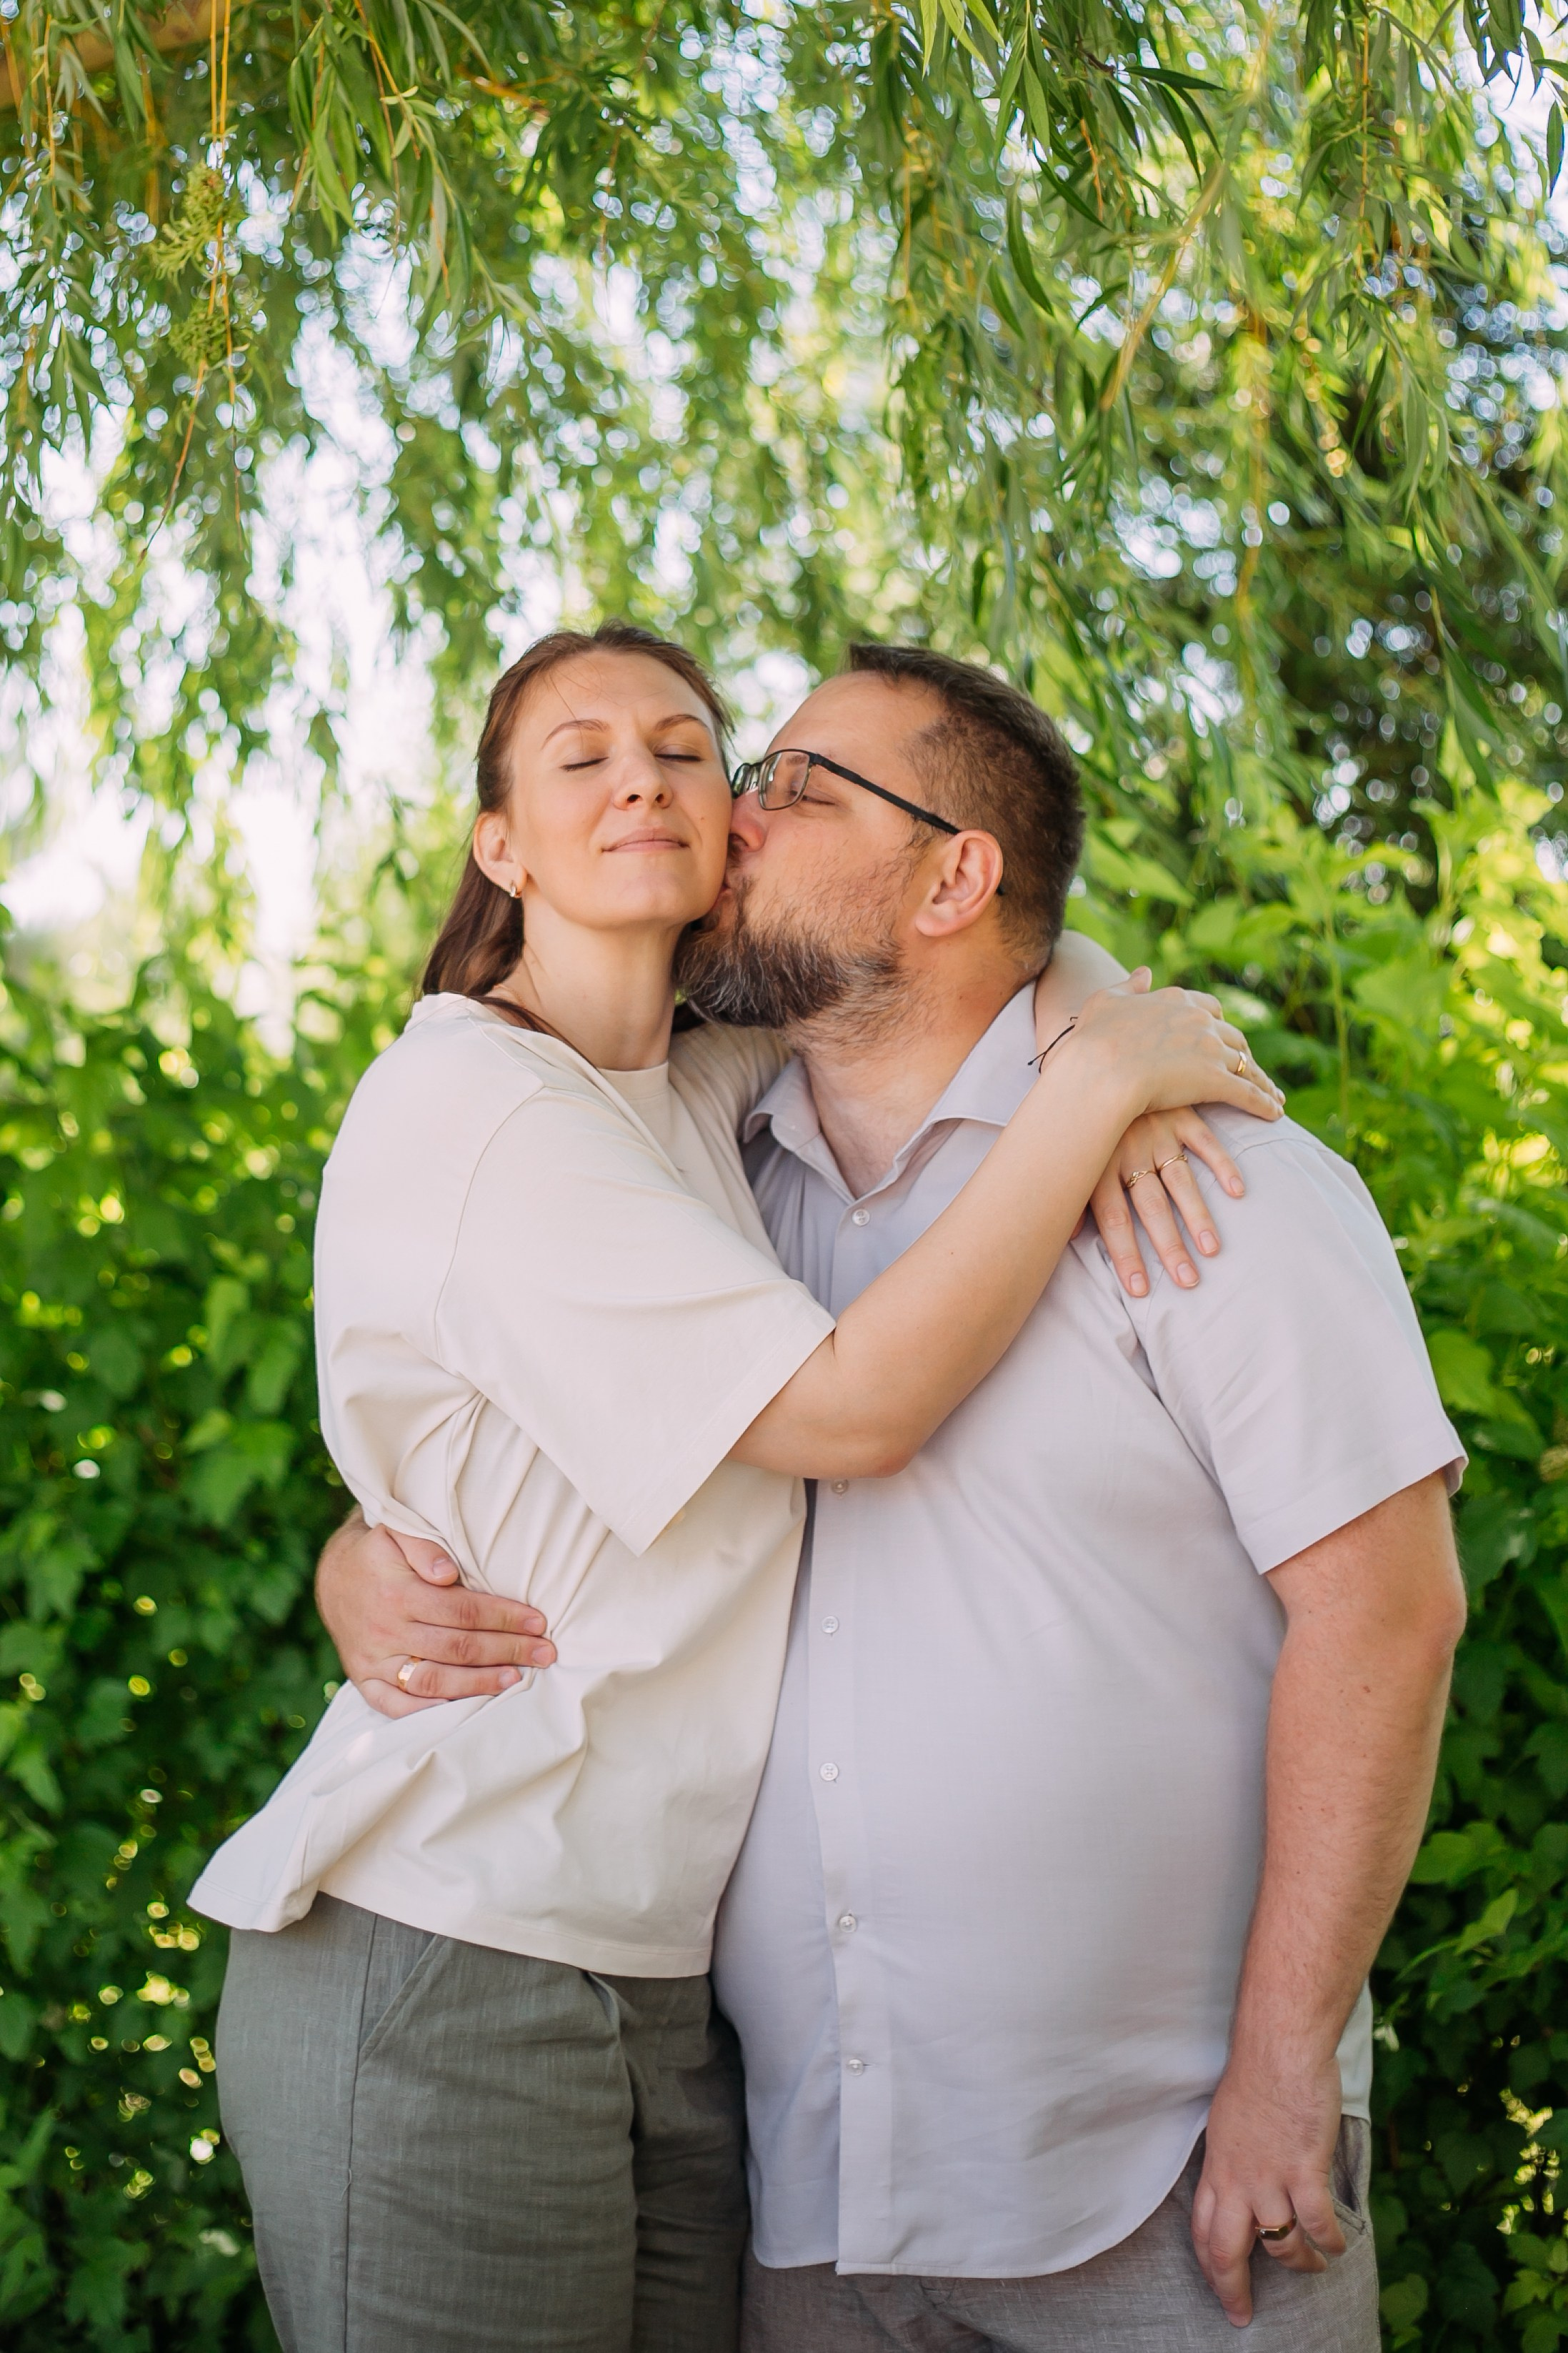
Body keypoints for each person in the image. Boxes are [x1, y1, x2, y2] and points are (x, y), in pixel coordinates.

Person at [326, 641, 1469, 2350]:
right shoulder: (720, 1179)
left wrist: (1288, 2070)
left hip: (1161, 2176)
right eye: (755, 775)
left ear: (954, 876)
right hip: (815, 2192)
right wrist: (368, 1541)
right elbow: (543, 1408)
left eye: (787, 781)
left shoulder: (1218, 1190)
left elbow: (1392, 1610)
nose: (734, 813)